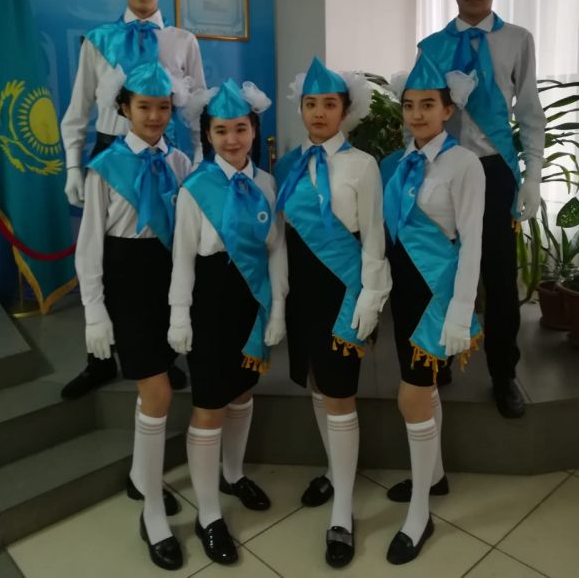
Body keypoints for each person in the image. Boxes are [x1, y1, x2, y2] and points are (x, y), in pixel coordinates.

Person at [61, 0, 205, 399]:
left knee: (162, 257)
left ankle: (158, 357)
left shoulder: (183, 41)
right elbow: (78, 108)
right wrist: (73, 166)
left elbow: (197, 110)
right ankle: (100, 358)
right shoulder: (99, 40)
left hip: (165, 157)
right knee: (107, 256)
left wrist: (200, 164)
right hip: (112, 153)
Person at [417, 0, 545, 418]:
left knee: (498, 274)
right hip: (444, 168)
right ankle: (441, 354)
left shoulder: (517, 40)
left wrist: (531, 177)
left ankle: (504, 373)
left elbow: (529, 113)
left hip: (494, 170)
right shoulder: (431, 46)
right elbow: (419, 114)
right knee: (442, 267)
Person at [275, 57, 391, 569]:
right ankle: (333, 471)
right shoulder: (288, 165)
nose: (319, 112)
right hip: (302, 293)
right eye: (311, 104)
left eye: (329, 104)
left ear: (346, 110)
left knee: (340, 395)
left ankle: (342, 509)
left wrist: (371, 298)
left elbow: (374, 238)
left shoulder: (363, 165)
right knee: (318, 387)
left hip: (344, 291)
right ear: (300, 109)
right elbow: (279, 238)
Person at [75, 61, 192, 571]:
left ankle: (140, 478)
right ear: (124, 109)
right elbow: (89, 245)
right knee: (158, 393)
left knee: (157, 390)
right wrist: (94, 312)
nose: (155, 116)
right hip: (126, 285)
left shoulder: (181, 161)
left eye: (163, 107)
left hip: (170, 281)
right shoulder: (105, 167)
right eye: (144, 106)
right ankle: (152, 513)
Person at [168, 78, 287, 566]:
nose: (232, 139)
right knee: (209, 406)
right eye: (221, 131)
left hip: (249, 301)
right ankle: (208, 515)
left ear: (254, 130)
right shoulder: (195, 189)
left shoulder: (266, 184)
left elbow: (275, 249)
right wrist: (179, 315)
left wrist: (277, 309)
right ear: (208, 135)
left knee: (242, 391)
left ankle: (232, 474)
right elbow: (182, 258)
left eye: (241, 129)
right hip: (210, 304)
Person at [380, 55, 485, 564]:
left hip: (437, 298)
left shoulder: (464, 164)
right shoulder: (398, 163)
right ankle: (435, 476)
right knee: (423, 392)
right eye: (409, 105)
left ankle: (420, 513)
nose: (417, 114)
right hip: (405, 293)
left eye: (428, 105)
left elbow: (472, 243)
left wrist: (462, 312)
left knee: (411, 398)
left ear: (448, 110)